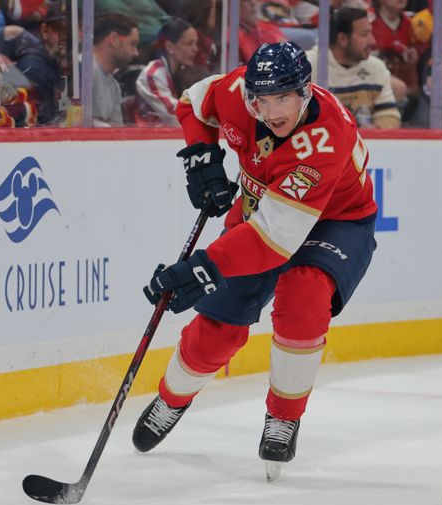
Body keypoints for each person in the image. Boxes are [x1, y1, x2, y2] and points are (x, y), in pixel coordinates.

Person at [132, 42, 377, 473]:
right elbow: (192, 101)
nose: (272, 111)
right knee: (217, 329)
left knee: (305, 297)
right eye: (261, 100)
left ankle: (284, 417)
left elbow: (273, 241)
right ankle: (171, 399)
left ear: (305, 92)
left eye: (283, 98)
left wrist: (202, 269)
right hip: (262, 210)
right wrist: (201, 155)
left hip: (335, 222)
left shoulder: (325, 138)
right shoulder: (237, 93)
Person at [306, 7, 401, 128]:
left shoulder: (376, 67)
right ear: (343, 39)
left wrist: (373, 132)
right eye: (364, 34)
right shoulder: (306, 67)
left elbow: (389, 116)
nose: (372, 41)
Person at [135, 17, 198, 125]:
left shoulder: (184, 73)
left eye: (196, 43)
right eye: (189, 43)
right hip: (147, 139)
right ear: (170, 46)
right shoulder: (153, 74)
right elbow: (174, 115)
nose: (195, 49)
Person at [92, 11, 139, 126]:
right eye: (132, 44)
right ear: (114, 39)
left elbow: (117, 131)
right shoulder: (82, 72)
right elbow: (73, 123)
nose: (136, 53)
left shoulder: (114, 87)